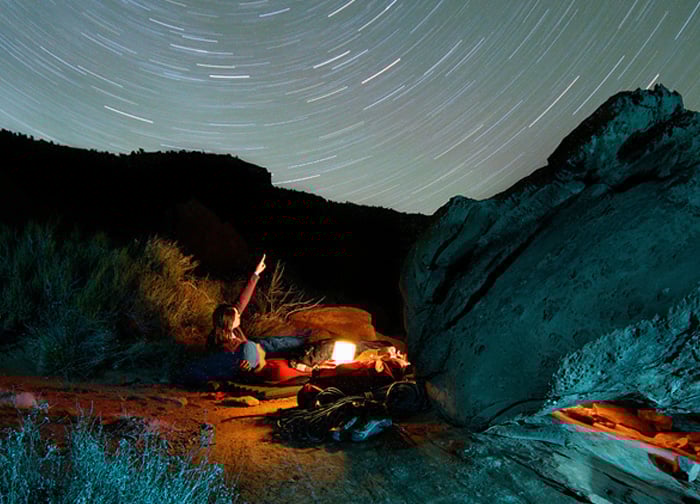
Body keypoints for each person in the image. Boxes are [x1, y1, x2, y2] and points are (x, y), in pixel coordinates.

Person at [178, 253, 308, 386]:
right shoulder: (216, 341)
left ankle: (304, 341)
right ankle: (257, 372)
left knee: (274, 342)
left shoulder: (234, 329)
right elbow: (224, 362)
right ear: (229, 321)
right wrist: (242, 366)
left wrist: (256, 274)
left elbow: (242, 300)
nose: (239, 315)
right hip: (240, 361)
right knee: (250, 346)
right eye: (236, 315)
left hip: (252, 350)